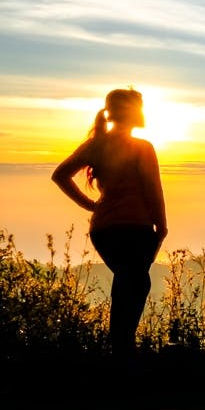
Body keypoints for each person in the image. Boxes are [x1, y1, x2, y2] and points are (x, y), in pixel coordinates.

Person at [52, 87, 168, 360]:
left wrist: (92, 206)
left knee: (128, 281)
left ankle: (121, 351)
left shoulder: (97, 144)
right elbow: (153, 189)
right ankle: (122, 352)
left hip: (104, 229)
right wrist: (161, 226)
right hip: (136, 227)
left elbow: (60, 175)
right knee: (136, 284)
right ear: (133, 111)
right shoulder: (142, 147)